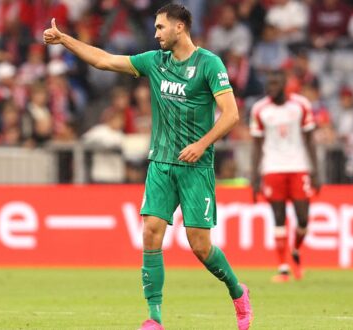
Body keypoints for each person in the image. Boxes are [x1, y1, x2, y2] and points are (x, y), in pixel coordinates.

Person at [43, 4, 253, 330]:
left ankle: (238, 292)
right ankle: (154, 317)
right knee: (151, 232)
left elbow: (231, 115)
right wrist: (64, 39)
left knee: (200, 245)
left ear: (180, 27)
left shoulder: (209, 64)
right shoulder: (155, 62)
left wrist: (201, 144)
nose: (155, 34)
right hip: (160, 163)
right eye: (155, 28)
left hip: (196, 167)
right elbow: (104, 60)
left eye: (160, 27)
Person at [250, 71, 320, 283]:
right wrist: (255, 177)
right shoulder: (260, 109)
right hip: (272, 168)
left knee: (303, 218)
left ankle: (295, 250)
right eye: (268, 83)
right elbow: (256, 145)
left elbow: (310, 140)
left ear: (284, 84)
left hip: (298, 166)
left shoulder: (300, 106)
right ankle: (283, 269)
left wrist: (316, 170)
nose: (269, 87)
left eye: (274, 83)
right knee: (278, 217)